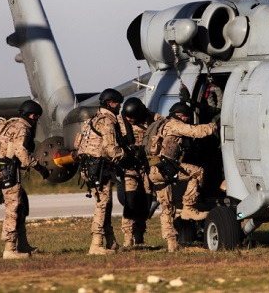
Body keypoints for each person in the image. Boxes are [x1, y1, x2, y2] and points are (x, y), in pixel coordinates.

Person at [148, 102, 217, 252]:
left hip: (154, 170)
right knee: (198, 172)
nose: (187, 120)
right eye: (186, 117)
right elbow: (196, 132)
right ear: (180, 115)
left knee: (167, 207)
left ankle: (172, 244)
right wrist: (214, 126)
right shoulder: (175, 125)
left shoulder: (161, 124)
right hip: (167, 169)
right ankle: (188, 207)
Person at [0, 99, 49, 259]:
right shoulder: (22, 128)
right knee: (13, 208)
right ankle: (10, 249)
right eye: (36, 117)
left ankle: (22, 245)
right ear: (32, 115)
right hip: (7, 171)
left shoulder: (10, 125)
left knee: (21, 204)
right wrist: (39, 167)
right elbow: (21, 152)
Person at [76, 88, 126, 255]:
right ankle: (96, 244)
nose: (119, 107)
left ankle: (111, 241)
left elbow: (78, 144)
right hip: (98, 168)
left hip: (89, 166)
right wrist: (126, 155)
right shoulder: (107, 121)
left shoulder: (93, 119)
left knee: (106, 203)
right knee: (102, 205)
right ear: (110, 103)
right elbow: (111, 149)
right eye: (118, 103)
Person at [118, 97, 162, 248]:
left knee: (145, 200)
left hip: (146, 166)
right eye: (128, 117)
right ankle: (127, 237)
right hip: (130, 167)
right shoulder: (119, 122)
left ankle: (139, 236)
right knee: (130, 201)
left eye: (132, 117)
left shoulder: (154, 119)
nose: (129, 120)